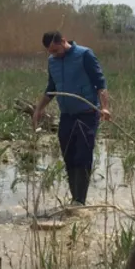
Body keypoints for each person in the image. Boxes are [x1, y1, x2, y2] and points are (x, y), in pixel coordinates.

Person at [32, 31, 111, 206]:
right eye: (50, 52)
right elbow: (51, 88)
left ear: (63, 41)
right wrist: (39, 109)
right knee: (69, 155)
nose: (54, 54)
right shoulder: (52, 61)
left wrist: (104, 107)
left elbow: (100, 83)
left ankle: (79, 201)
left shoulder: (84, 55)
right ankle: (75, 198)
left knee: (83, 155)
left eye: (56, 50)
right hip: (67, 116)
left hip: (87, 114)